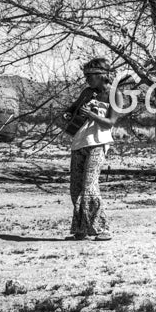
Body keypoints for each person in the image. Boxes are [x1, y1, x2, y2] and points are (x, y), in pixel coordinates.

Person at [64, 58, 118, 241]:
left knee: (89, 186)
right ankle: (82, 229)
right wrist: (68, 114)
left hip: (99, 142)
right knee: (76, 187)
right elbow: (72, 109)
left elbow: (110, 122)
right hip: (79, 141)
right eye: (86, 76)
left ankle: (102, 229)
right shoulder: (87, 92)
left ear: (102, 75)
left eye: (91, 76)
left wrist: (92, 115)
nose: (87, 79)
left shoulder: (114, 95)